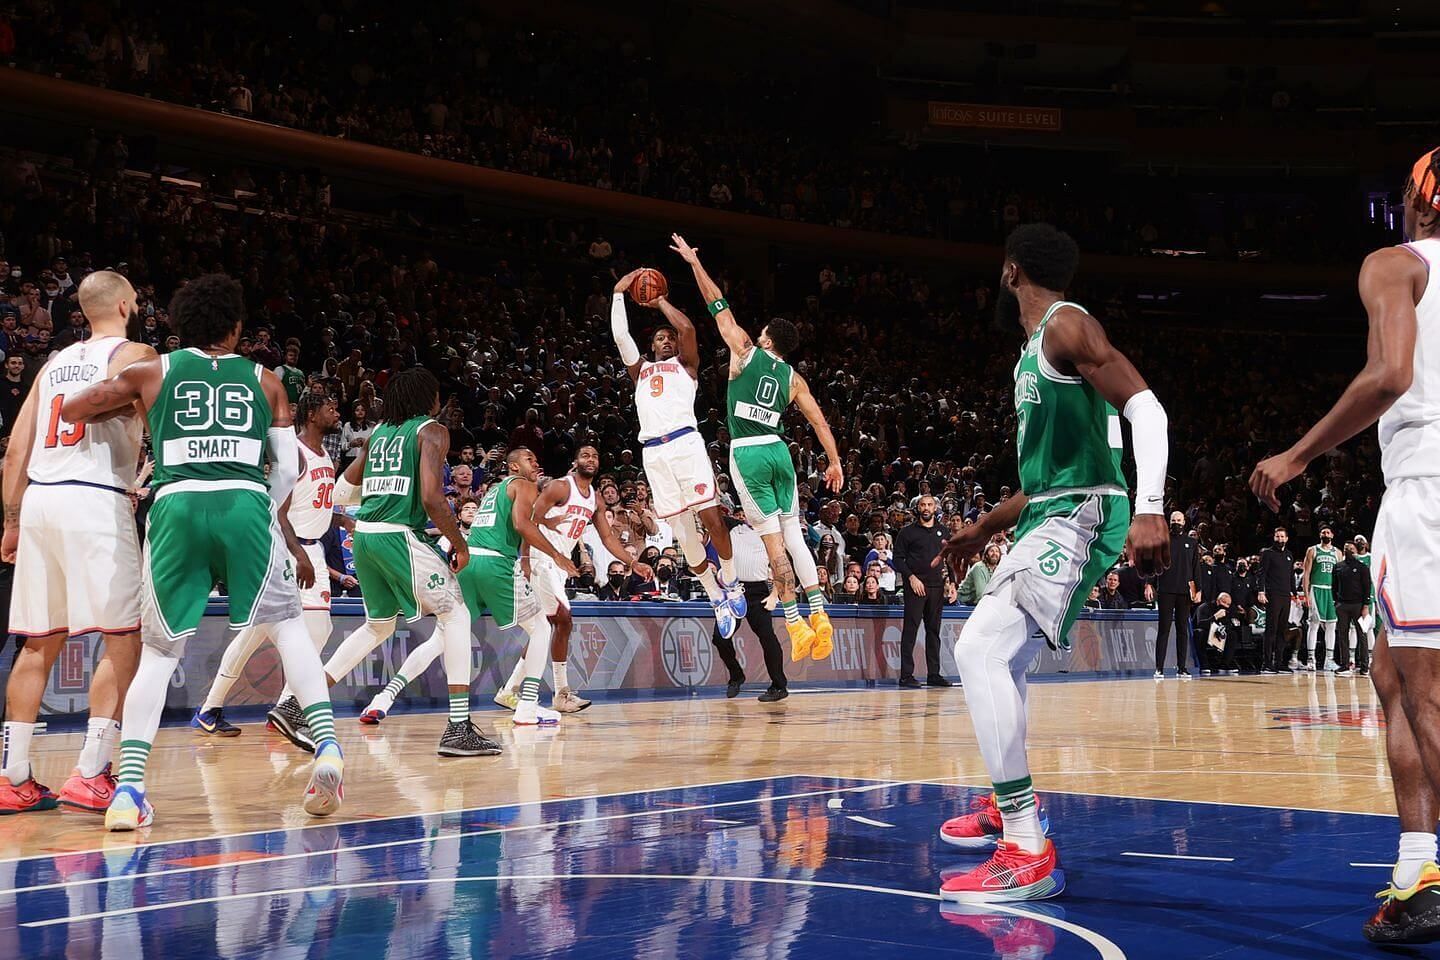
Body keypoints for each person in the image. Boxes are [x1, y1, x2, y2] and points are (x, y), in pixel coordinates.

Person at [933, 224, 1170, 901]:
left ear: (1012, 271)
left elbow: (1146, 408)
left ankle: (1026, 845)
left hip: (1084, 513)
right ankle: (1009, 805)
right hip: (1053, 509)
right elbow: (1044, 480)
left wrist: (1152, 505)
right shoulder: (1035, 350)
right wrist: (982, 526)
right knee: (1003, 660)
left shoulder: (1068, 326)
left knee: (978, 650)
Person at [61, 273, 343, 830]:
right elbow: (288, 467)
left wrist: (132, 408)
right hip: (244, 502)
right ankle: (329, 749)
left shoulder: (151, 371)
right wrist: (264, 506)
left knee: (160, 653)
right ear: (236, 329)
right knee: (290, 629)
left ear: (180, 326)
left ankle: (130, 791)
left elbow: (73, 408)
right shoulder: (267, 381)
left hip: (176, 505)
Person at [1250, 147, 1440, 944]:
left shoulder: (1396, 264)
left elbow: (1392, 373)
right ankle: (1419, 867)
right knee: (1390, 675)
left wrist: (1298, 454)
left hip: (1429, 486)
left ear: (1420, 201)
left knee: (1424, 696)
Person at [0, 270, 154, 815]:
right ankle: (91, 772)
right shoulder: (136, 352)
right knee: (122, 638)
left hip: (41, 499)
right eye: (134, 297)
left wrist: (11, 521)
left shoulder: (51, 364)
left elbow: (16, 450)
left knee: (39, 640)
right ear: (122, 303)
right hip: (94, 496)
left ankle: (12, 775)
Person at [669, 233, 844, 663]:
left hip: (748, 452)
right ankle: (820, 614)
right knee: (794, 537)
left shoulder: (745, 352)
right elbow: (819, 420)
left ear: (765, 340)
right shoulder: (792, 378)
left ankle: (795, 623)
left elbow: (716, 304)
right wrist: (836, 461)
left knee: (773, 546)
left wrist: (694, 262)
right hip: (781, 452)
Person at [308, 366, 500, 755]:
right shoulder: (431, 430)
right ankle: (459, 727)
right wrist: (458, 544)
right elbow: (432, 497)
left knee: (377, 626)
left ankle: (300, 702)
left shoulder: (377, 434)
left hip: (365, 537)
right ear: (426, 398)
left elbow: (342, 491)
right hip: (397, 535)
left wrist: (379, 495)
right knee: (457, 614)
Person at [190, 391, 342, 741]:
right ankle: (288, 708)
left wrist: (341, 520)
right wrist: (299, 554)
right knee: (318, 628)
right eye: (330, 405)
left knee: (255, 633)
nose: (337, 411)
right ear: (311, 412)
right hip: (292, 550)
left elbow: (312, 506)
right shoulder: (296, 454)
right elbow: (277, 512)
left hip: (309, 547)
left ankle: (210, 709)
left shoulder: (325, 456)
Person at [611, 269, 745, 637]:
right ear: (652, 346)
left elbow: (687, 330)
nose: (667, 340)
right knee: (685, 536)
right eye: (660, 338)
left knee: (713, 519)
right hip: (654, 455)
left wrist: (660, 303)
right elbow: (620, 335)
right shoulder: (639, 372)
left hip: (686, 444)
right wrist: (620, 293)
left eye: (669, 337)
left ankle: (732, 581)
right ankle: (715, 594)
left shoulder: (686, 366)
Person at [490, 446, 645, 715]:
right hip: (542, 559)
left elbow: (608, 538)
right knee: (563, 620)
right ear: (575, 462)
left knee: (547, 627)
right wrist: (525, 559)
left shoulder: (596, 499)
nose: (590, 459)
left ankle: (509, 690)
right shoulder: (560, 487)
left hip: (558, 567)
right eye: (585, 455)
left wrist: (634, 562)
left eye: (595, 456)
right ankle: (561, 693)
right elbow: (529, 520)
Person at [710, 516, 790, 702]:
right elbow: (711, 511)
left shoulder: (771, 533)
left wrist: (774, 595)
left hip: (758, 592)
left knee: (768, 638)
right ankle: (736, 675)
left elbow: (781, 567)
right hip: (733, 590)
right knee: (719, 638)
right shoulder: (734, 527)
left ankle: (779, 686)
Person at [893, 495, 950, 688]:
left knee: (934, 631)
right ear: (918, 508)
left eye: (929, 505)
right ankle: (906, 676)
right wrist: (911, 577)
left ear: (935, 508)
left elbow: (948, 560)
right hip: (915, 587)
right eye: (923, 505)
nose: (926, 508)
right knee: (911, 630)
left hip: (937, 587)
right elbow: (898, 559)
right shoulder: (907, 533)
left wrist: (951, 583)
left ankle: (934, 674)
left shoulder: (944, 532)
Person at [1153, 510, 1200, 679]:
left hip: (1184, 592)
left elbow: (1196, 568)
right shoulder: (1161, 541)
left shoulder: (1192, 542)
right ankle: (1159, 668)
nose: (1177, 523)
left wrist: (1198, 589)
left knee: (1182, 630)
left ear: (1184, 522)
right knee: (1163, 629)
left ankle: (1182, 668)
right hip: (1166, 590)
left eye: (1179, 520)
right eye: (1174, 520)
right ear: (1169, 522)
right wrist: (1149, 585)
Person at [1302, 526, 1341, 671]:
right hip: (1317, 589)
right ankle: (1311, 659)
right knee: (1314, 624)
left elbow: (1339, 576)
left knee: (1331, 625)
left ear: (1332, 535)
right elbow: (1306, 574)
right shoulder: (1312, 550)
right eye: (1323, 532)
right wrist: (1306, 594)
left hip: (1331, 591)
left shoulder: (1337, 552)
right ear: (1319, 535)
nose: (1326, 534)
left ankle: (1329, 660)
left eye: (1328, 532)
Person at [1255, 527, 1294, 674]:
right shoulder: (1268, 553)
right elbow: (1262, 573)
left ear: (1287, 538)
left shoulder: (1289, 555)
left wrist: (1294, 594)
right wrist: (1261, 591)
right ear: (1274, 538)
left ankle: (1279, 662)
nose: (1280, 539)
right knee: (1271, 629)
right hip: (1273, 595)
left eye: (1282, 537)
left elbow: (1290, 575)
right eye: (1277, 536)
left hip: (1286, 596)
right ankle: (1266, 664)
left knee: (1282, 630)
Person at [1332, 539, 1372, 678]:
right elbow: (1334, 586)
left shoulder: (1362, 567)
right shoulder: (1338, 566)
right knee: (1342, 635)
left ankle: (1364, 666)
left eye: (1350, 548)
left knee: (1362, 635)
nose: (1348, 550)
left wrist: (1366, 606)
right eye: (1345, 547)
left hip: (1359, 605)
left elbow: (1367, 587)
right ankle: (1345, 665)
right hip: (1342, 605)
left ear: (1355, 550)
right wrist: (1335, 602)